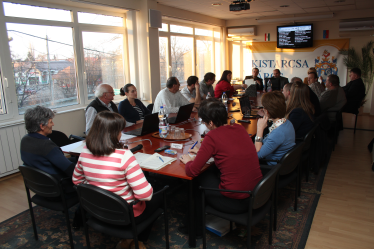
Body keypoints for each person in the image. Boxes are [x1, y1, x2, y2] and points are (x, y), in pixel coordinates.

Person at [73, 111, 161, 249]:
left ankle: (129, 241)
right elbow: (145, 195)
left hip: (96, 209)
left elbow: (77, 181)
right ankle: (137, 240)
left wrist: (100, 188)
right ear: (114, 133)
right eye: (120, 131)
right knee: (159, 196)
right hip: (125, 214)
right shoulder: (124, 156)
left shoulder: (84, 151)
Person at [179, 98, 262, 233]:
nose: (205, 125)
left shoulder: (211, 137)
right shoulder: (239, 128)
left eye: (205, 122)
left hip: (235, 202)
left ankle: (193, 228)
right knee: (211, 171)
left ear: (210, 123)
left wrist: (188, 160)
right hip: (256, 194)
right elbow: (228, 150)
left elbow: (192, 171)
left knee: (196, 179)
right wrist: (203, 152)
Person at [20, 106, 81, 227]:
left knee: (76, 161)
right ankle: (80, 218)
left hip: (40, 187)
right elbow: (71, 172)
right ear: (42, 126)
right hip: (59, 189)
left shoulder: (25, 140)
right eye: (50, 121)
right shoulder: (46, 145)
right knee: (90, 178)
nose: (53, 124)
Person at [255, 91, 295, 165]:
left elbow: (257, 155)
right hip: (282, 162)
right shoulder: (287, 122)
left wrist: (260, 129)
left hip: (271, 167)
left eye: (264, 107)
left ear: (266, 111)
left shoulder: (278, 133)